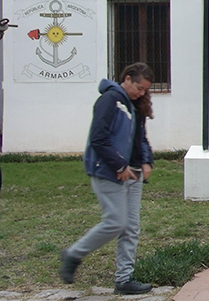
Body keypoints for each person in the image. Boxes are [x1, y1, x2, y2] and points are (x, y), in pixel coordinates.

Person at [60, 63, 155, 295]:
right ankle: (73, 254)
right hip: (109, 172)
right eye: (139, 88)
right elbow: (98, 138)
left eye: (145, 90)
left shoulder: (134, 105)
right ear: (127, 78)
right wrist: (119, 165)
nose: (141, 93)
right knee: (115, 222)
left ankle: (124, 280)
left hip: (134, 173)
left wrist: (146, 161)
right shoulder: (110, 100)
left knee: (131, 228)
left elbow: (140, 138)